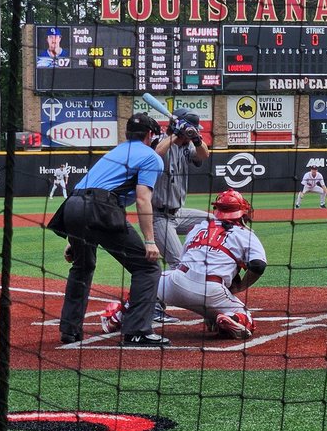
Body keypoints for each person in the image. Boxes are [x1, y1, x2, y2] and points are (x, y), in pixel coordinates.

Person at [47, 112, 168, 347]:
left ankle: (70, 330)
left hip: (72, 206)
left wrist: (74, 238)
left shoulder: (115, 152)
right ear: (150, 135)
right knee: (147, 267)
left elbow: (88, 189)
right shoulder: (151, 157)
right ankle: (137, 331)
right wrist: (150, 241)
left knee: (82, 266)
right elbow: (143, 199)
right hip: (100, 208)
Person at [104, 190, 266, 341]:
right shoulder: (245, 234)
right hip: (212, 291)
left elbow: (185, 258)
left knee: (149, 282)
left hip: (177, 280)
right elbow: (258, 265)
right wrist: (240, 287)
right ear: (241, 213)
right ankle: (232, 318)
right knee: (248, 322)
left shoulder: (199, 227)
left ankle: (117, 315)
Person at [149, 107, 211, 268]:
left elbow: (204, 154)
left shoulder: (188, 146)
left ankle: (204, 259)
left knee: (215, 222)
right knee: (179, 264)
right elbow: (156, 153)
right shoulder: (160, 140)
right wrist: (177, 133)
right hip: (158, 216)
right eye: (190, 130)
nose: (192, 133)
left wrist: (196, 139)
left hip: (178, 213)